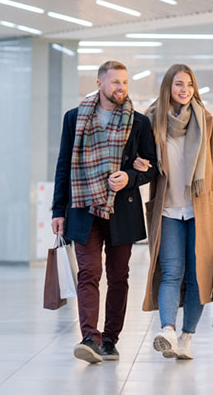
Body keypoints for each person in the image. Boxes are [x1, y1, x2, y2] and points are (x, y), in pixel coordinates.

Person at [51, 60, 158, 364]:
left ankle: (110, 339)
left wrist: (129, 178)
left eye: (124, 82)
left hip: (121, 208)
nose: (121, 88)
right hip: (83, 207)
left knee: (119, 276)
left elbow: (152, 167)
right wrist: (58, 210)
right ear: (99, 84)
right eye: (114, 82)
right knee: (89, 273)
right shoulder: (74, 118)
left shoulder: (139, 122)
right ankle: (89, 338)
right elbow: (63, 166)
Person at [133, 64, 213, 360]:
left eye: (189, 85)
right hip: (167, 211)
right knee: (170, 272)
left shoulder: (206, 121)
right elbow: (141, 160)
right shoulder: (151, 121)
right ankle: (167, 330)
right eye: (179, 84)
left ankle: (187, 336)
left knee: (198, 275)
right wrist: (139, 165)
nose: (185, 90)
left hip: (202, 210)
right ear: (168, 87)